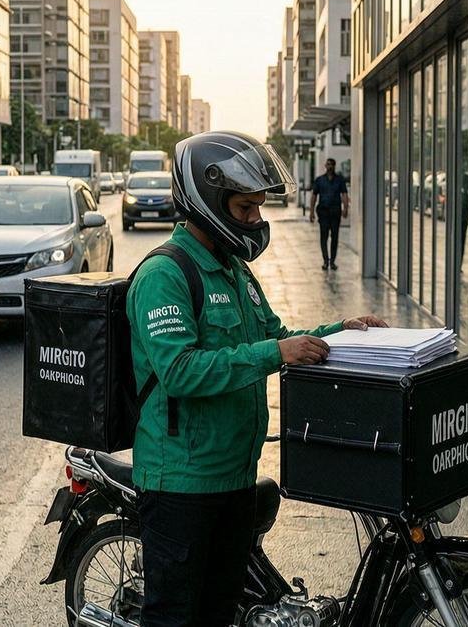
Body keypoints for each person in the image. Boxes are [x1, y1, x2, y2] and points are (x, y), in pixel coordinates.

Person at [127, 131, 386, 626]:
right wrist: (275, 352)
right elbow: (180, 371)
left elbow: (280, 336)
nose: (255, 221)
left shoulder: (235, 273)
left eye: (258, 208)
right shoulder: (167, 274)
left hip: (234, 477)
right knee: (176, 618)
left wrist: (343, 331)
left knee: (221, 613)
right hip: (182, 483)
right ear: (207, 204)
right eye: (245, 209)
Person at [309, 158, 350, 270]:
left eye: (332, 164)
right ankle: (325, 261)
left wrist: (345, 208)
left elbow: (344, 194)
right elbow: (314, 196)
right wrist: (311, 211)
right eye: (328, 164)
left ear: (334, 166)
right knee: (324, 237)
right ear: (325, 166)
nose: (330, 166)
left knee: (335, 237)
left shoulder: (340, 180)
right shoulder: (319, 180)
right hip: (323, 212)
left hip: (335, 212)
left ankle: (332, 262)